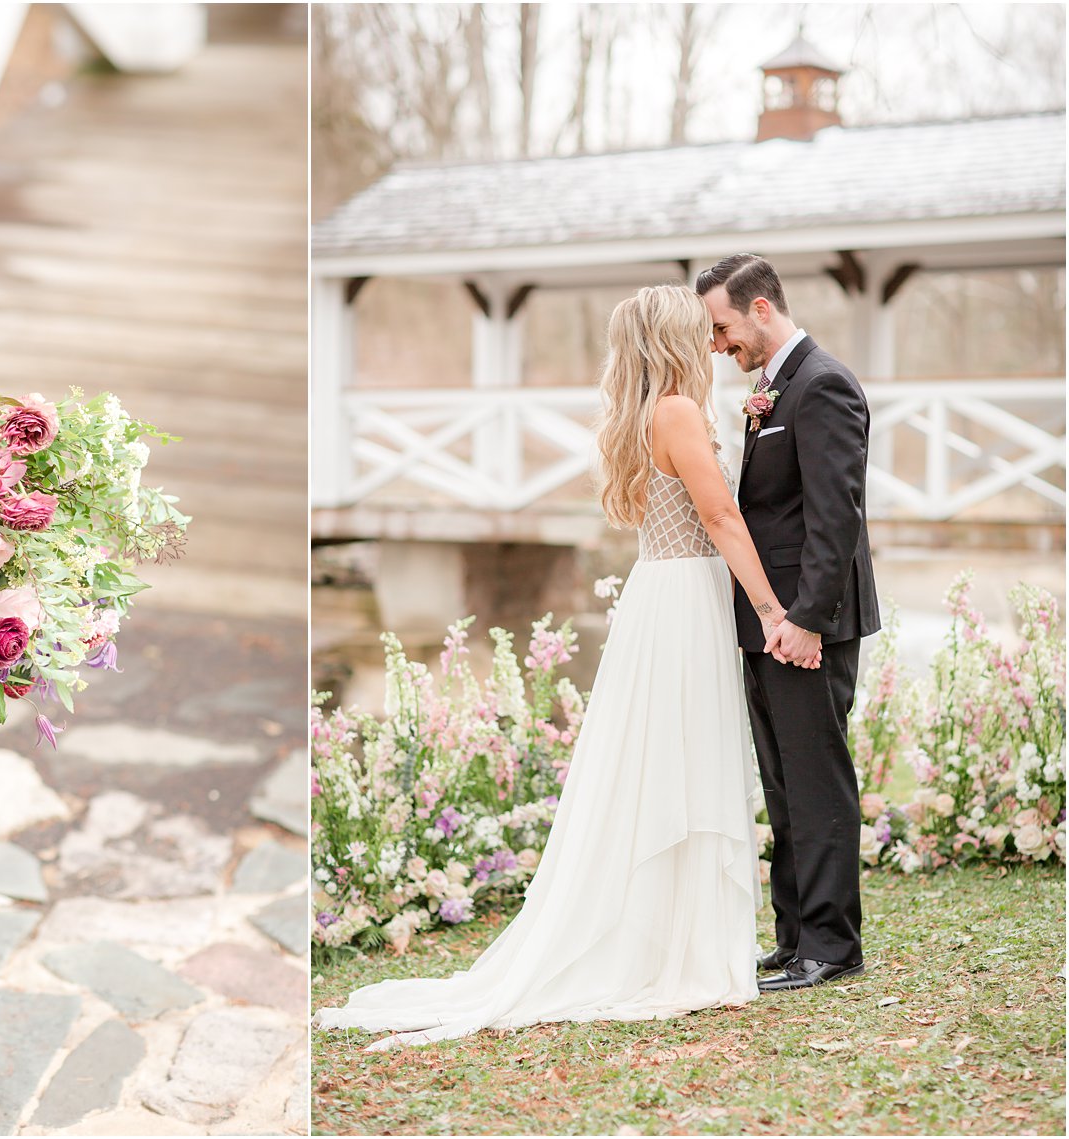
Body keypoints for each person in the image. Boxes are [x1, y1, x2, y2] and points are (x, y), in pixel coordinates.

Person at [314, 284, 801, 1050]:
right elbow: (720, 516)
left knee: (666, 763)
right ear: (673, 340)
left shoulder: (643, 413)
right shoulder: (675, 410)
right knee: (682, 759)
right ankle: (680, 951)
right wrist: (773, 609)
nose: (711, 341)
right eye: (696, 330)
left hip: (663, 592)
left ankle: (677, 937)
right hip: (684, 595)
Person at [696, 253, 880, 991]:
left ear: (762, 309)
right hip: (768, 625)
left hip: (811, 625)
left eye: (722, 327)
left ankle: (833, 944)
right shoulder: (772, 389)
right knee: (782, 784)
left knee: (816, 780)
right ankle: (795, 934)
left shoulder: (824, 384)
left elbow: (836, 519)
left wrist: (805, 618)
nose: (717, 345)